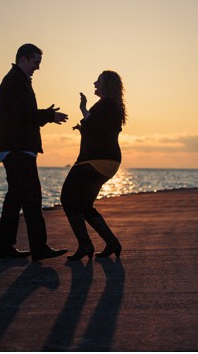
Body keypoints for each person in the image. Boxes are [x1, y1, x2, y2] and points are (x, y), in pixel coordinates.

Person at [0, 43, 69, 260]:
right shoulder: (15, 81)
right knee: (31, 198)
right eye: (36, 62)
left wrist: (46, 115)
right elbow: (22, 115)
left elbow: (22, 114)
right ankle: (38, 248)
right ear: (23, 59)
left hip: (14, 147)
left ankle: (5, 248)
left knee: (15, 198)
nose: (38, 67)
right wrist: (48, 116)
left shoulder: (17, 80)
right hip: (18, 148)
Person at [60, 71, 126, 260]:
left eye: (99, 80)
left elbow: (96, 126)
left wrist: (83, 109)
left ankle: (85, 245)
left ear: (107, 85)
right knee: (84, 205)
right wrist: (84, 127)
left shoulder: (107, 105)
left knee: (68, 199)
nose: (95, 83)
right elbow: (100, 131)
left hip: (95, 160)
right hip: (106, 161)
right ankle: (111, 242)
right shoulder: (111, 106)